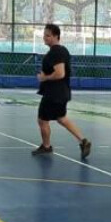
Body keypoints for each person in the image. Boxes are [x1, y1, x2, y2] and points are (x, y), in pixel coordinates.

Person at [31, 24, 92, 159]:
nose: (44, 37)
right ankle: (83, 141)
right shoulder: (61, 50)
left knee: (42, 120)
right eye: (44, 35)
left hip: (54, 94)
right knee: (61, 118)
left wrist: (44, 77)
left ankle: (46, 147)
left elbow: (60, 73)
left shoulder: (56, 52)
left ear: (56, 36)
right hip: (60, 93)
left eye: (48, 35)